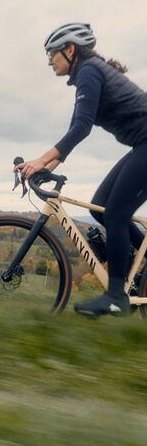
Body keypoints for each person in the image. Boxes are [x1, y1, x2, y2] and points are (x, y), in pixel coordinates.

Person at [14, 22, 147, 317]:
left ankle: (116, 297)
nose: (50, 61)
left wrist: (40, 161)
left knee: (114, 214)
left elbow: (82, 128)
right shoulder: (87, 73)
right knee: (101, 208)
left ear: (70, 50)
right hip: (142, 144)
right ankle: (139, 269)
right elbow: (74, 132)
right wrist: (43, 165)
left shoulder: (89, 71)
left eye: (52, 54)